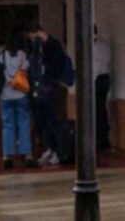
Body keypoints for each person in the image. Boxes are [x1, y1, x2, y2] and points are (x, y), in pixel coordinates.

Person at [28, 23, 71, 165]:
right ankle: (49, 147)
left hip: (50, 88)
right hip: (38, 89)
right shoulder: (36, 49)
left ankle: (59, 151)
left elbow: (55, 66)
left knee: (53, 121)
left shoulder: (53, 46)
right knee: (42, 121)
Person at [0, 34, 39, 170]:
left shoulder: (1, 55)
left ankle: (7, 156)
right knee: (24, 123)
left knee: (8, 125)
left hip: (5, 95)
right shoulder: (22, 56)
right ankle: (27, 155)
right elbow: (27, 68)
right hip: (21, 94)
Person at [93, 26, 113, 154]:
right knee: (101, 108)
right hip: (105, 78)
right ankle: (103, 138)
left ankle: (100, 139)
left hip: (97, 78)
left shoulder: (93, 47)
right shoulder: (104, 45)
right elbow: (107, 60)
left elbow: (96, 65)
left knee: (96, 110)